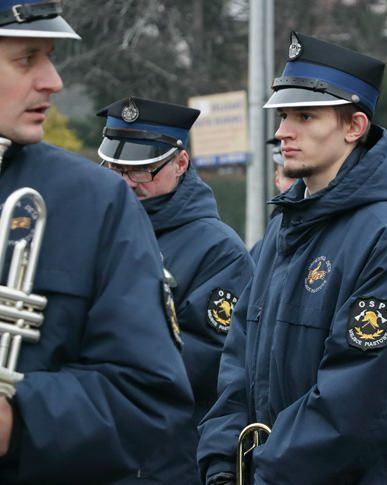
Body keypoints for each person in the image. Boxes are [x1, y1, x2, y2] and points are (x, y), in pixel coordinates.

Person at [197, 31, 387, 485]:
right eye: (283, 115)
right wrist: (222, 462)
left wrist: (265, 472)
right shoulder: (283, 229)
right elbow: (238, 364)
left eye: (305, 116)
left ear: (354, 127)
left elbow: (363, 401)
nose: (282, 132)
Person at [0, 2, 197, 483]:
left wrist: (17, 420)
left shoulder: (93, 200)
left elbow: (149, 399)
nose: (54, 81)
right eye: (27, 59)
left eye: (48, 56)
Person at [96, 97, 254, 428]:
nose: (124, 181)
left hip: (164, 449)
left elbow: (210, 360)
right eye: (113, 167)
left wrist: (96, 356)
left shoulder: (219, 250)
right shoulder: (93, 228)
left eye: (139, 168)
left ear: (180, 163)